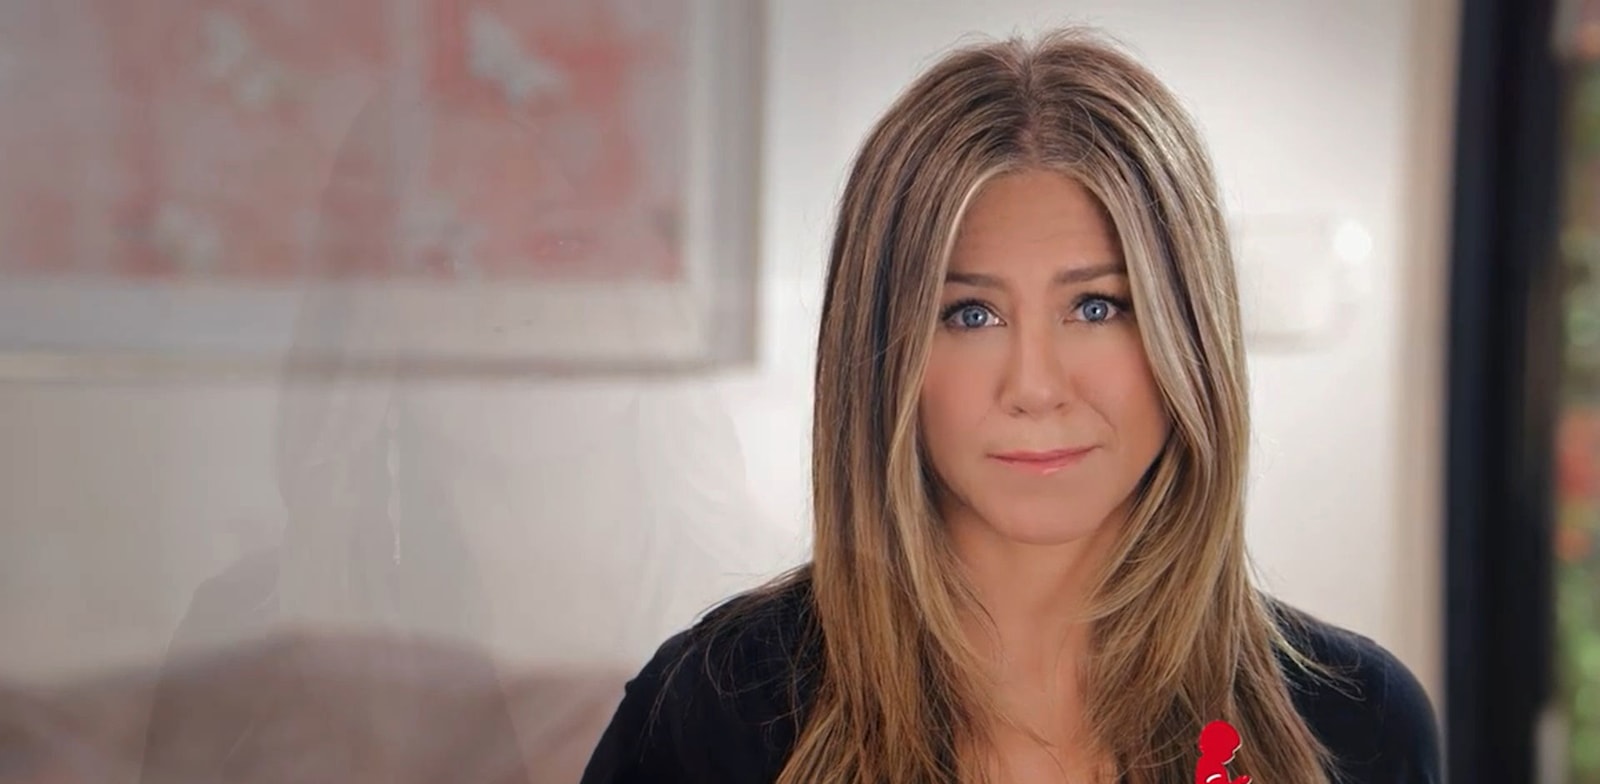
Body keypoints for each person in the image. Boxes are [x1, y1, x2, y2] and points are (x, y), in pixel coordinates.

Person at [580, 28, 1441, 784]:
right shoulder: (713, 713)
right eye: (971, 315)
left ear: (1189, 334)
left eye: (1096, 307)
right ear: (880, 359)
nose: (1033, 386)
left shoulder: (1359, 725)